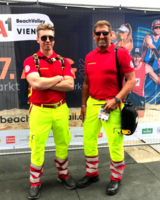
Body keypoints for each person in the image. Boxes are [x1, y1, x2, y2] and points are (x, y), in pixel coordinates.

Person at [77, 20, 136, 195]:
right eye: (98, 33)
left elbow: (131, 80)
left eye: (105, 33)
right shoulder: (89, 56)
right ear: (94, 36)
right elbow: (86, 83)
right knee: (88, 141)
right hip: (92, 105)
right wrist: (83, 104)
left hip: (113, 106)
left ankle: (116, 178)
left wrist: (116, 99)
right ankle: (92, 173)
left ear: (111, 34)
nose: (101, 36)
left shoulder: (121, 53)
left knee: (115, 144)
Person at [23, 23, 76, 200]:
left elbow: (70, 85)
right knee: (37, 147)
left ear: (54, 40)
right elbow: (36, 84)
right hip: (39, 111)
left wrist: (47, 82)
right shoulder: (31, 61)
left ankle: (63, 175)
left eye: (50, 38)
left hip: (60, 109)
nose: (47, 41)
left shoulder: (62, 61)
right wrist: (59, 78)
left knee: (63, 144)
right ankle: (35, 182)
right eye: (44, 37)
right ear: (38, 39)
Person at [130, 47, 160, 118]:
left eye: (139, 56)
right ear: (132, 57)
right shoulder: (128, 66)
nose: (136, 59)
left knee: (140, 118)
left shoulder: (146, 67)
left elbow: (157, 80)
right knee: (129, 118)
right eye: (135, 56)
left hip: (139, 96)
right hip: (129, 95)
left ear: (141, 57)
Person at [142, 19, 160, 104]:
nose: (158, 29)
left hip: (155, 65)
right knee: (143, 87)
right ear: (152, 28)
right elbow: (151, 45)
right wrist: (158, 56)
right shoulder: (148, 37)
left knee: (157, 81)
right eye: (156, 27)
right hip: (145, 65)